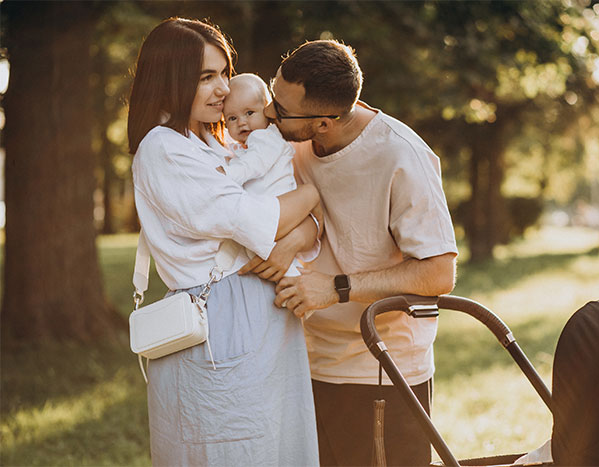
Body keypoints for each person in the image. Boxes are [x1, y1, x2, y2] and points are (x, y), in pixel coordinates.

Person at [251, 39, 459, 466]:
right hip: (301, 363)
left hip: (379, 373)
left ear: (324, 122)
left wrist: (336, 288)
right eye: (274, 96)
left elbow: (439, 273)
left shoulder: (402, 155)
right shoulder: (284, 141)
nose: (270, 112)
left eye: (282, 109)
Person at [127, 18, 319, 466]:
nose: (222, 89)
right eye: (205, 77)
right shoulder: (163, 148)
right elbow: (255, 219)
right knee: (232, 449)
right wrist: (312, 196)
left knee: (274, 446)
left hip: (262, 315)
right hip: (220, 320)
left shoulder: (215, 142)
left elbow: (288, 221)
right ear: (171, 79)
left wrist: (304, 226)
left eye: (224, 73)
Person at [220, 73, 321, 280]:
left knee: (286, 275)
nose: (241, 123)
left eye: (249, 113)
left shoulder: (265, 138)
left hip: (280, 217)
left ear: (267, 110)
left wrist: (226, 175)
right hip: (271, 220)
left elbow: (253, 164)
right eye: (232, 118)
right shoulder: (247, 145)